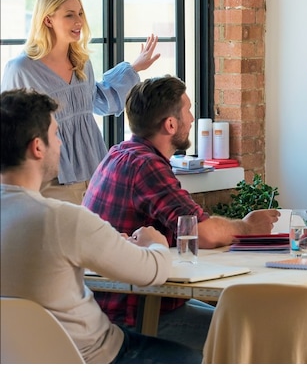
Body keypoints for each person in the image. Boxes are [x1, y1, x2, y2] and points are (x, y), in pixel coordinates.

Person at [0, 88, 200, 364]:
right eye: (56, 134)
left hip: (19, 362)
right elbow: (152, 271)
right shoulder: (62, 219)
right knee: (201, 356)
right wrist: (155, 242)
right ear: (37, 147)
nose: (60, 144)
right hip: (98, 357)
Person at [83, 75, 280, 351]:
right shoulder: (146, 166)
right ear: (171, 124)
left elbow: (186, 225)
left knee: (236, 315)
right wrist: (249, 227)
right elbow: (203, 232)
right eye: (187, 110)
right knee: (256, 333)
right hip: (132, 313)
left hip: (123, 301)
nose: (192, 118)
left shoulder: (119, 153)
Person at [1, 0, 160, 205]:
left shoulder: (81, 63)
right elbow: (9, 128)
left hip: (94, 171)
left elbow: (99, 100)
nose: (79, 21)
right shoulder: (21, 69)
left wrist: (134, 68)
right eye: (69, 15)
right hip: (52, 177)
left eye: (80, 13)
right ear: (48, 20)